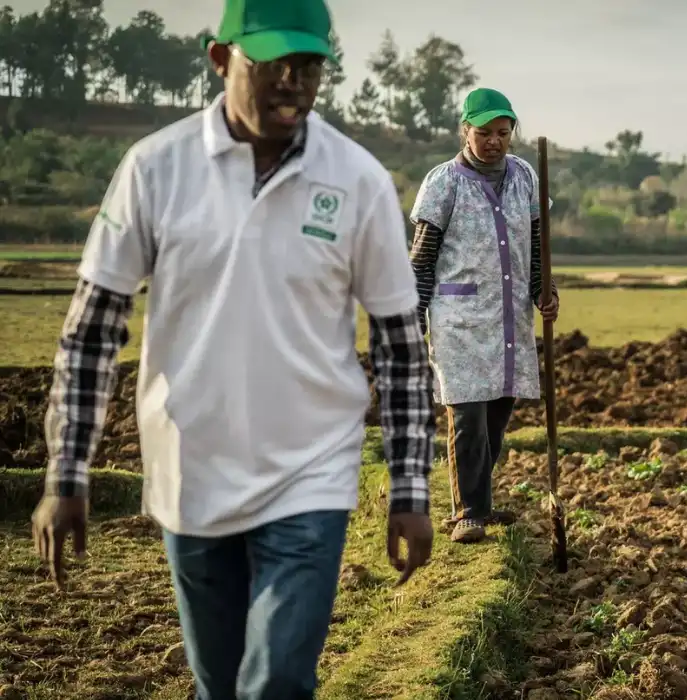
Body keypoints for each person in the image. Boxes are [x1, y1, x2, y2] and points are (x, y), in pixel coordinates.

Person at [28, 0, 438, 696]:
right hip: (192, 471)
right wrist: (67, 470)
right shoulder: (155, 168)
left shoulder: (358, 180)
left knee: (275, 682)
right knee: (220, 685)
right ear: (221, 59)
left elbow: (399, 345)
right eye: (274, 63)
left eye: (309, 66)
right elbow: (95, 327)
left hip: (312, 471)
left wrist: (410, 485)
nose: (294, 82)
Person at [408, 87, 558, 545]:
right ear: (465, 131)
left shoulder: (526, 176)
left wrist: (542, 290)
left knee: (498, 412)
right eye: (484, 132)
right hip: (458, 317)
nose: (494, 141)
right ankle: (469, 512)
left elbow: (537, 244)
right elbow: (422, 257)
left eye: (503, 132)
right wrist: (412, 317)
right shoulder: (443, 182)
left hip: (508, 317)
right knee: (468, 414)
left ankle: (480, 500)